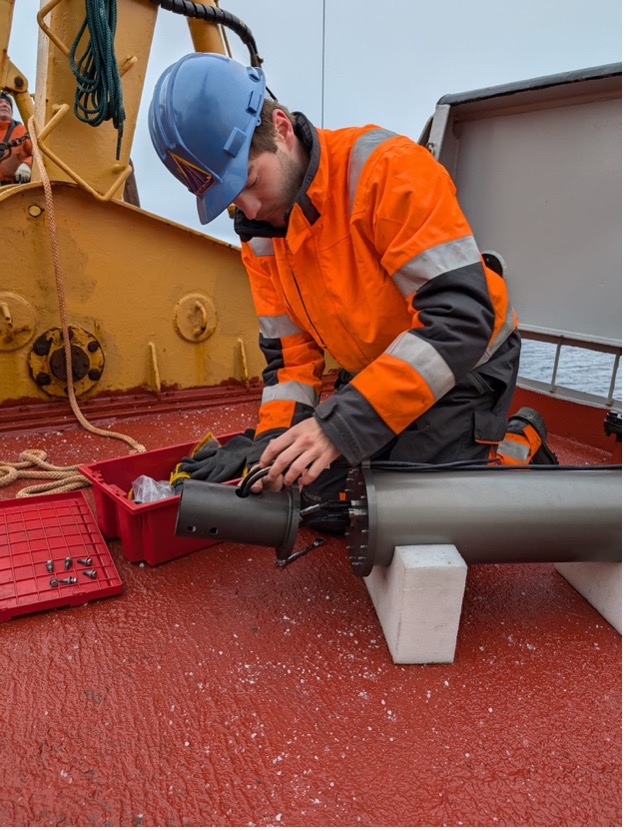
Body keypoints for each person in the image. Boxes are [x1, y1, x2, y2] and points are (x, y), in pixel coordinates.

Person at [149, 53, 556, 525]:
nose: (249, 207)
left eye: (250, 181)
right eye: (229, 197)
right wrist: (271, 444)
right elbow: (291, 360)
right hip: (384, 370)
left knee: (408, 516)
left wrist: (338, 428)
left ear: (281, 128)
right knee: (316, 502)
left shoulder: (387, 170)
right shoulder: (259, 235)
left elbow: (459, 321)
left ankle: (518, 444)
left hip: (466, 362)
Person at [0, 92, 32, 186]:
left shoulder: (22, 130)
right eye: (0, 102)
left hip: (14, 190)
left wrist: (27, 165)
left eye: (7, 103)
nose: (5, 104)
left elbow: (39, 154)